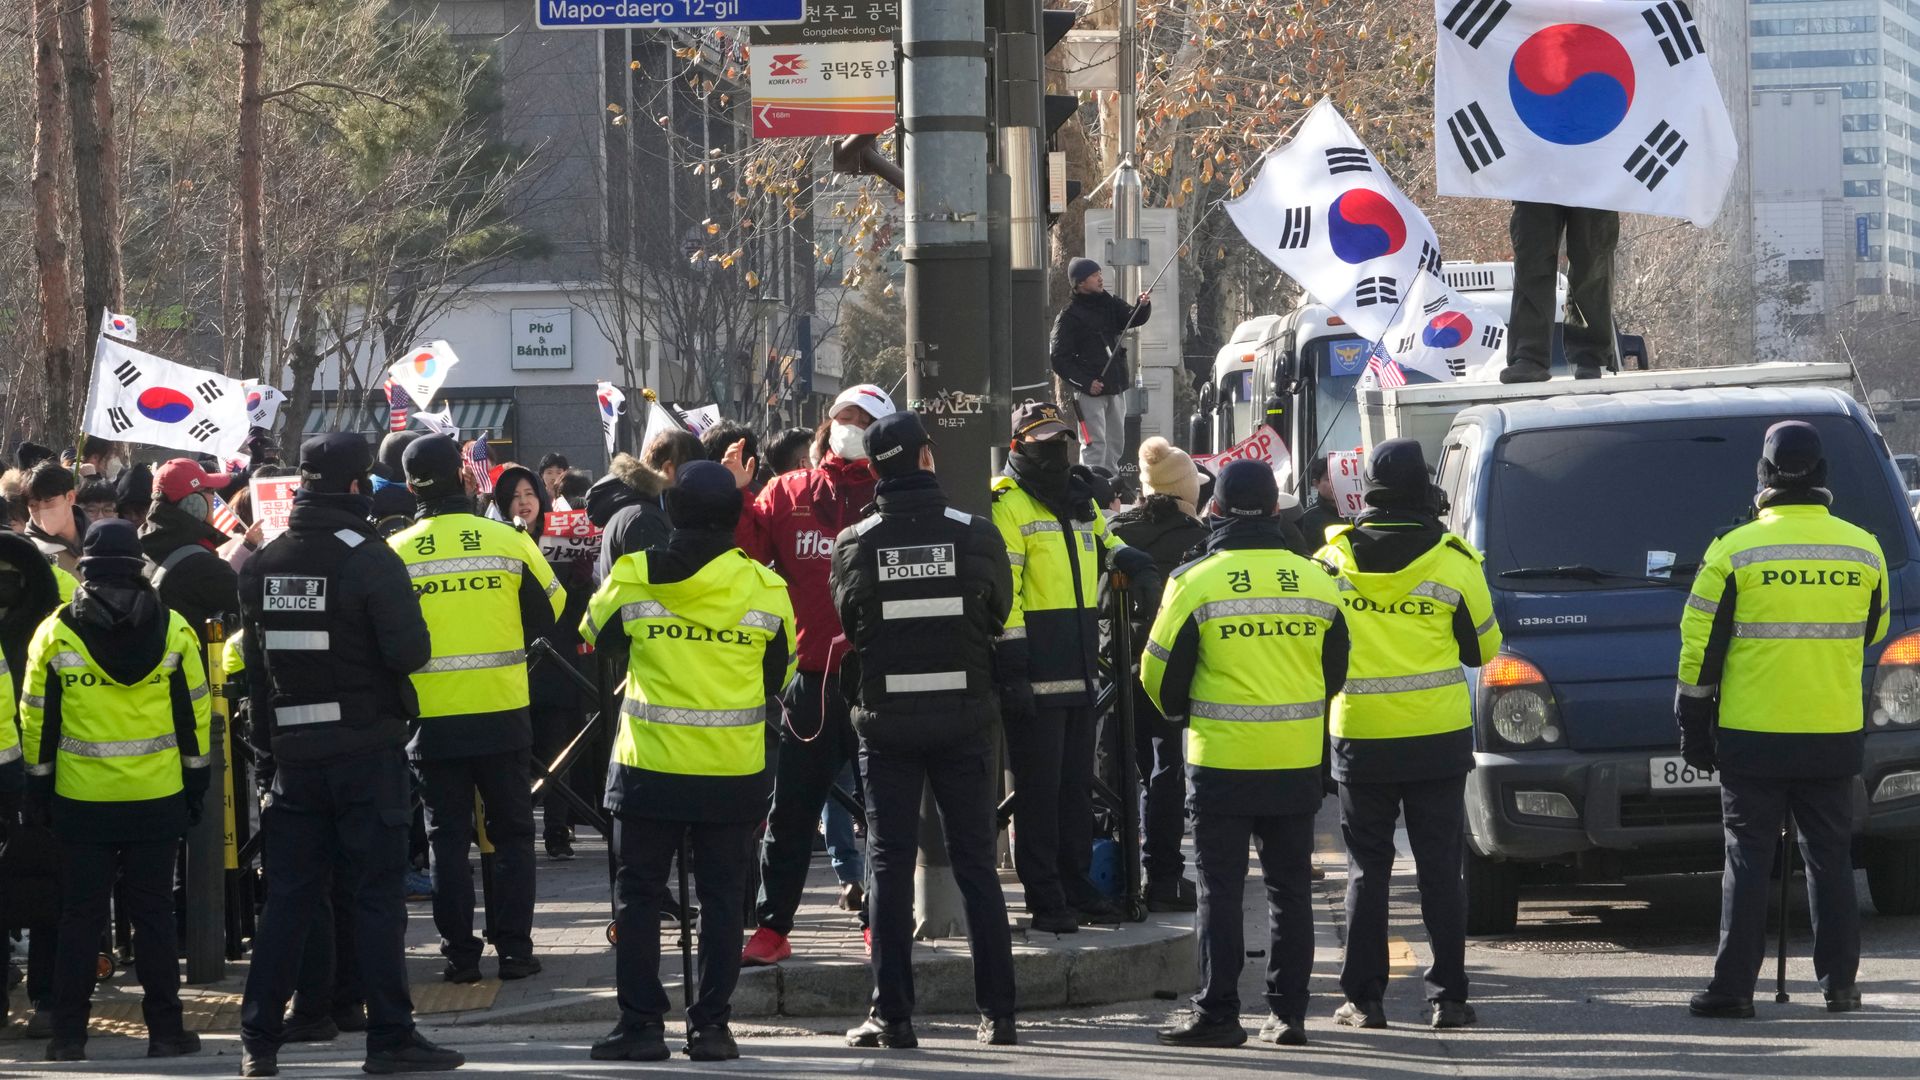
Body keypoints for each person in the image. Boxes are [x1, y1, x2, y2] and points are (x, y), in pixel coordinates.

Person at [236, 433, 464, 1077]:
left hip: (292, 762)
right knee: (374, 899)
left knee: (289, 900)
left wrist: (266, 760)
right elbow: (410, 652)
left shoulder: (265, 563)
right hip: (366, 754)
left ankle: (258, 1038)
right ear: (360, 487)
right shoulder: (369, 557)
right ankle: (390, 1038)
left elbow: (254, 676)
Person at [580, 460, 795, 1063]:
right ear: (735, 517)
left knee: (639, 895)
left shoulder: (634, 573)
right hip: (732, 771)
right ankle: (712, 1028)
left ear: (669, 513)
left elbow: (596, 633)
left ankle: (642, 1026)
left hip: (647, 768)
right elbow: (781, 671)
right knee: (725, 899)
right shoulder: (765, 587)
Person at [1678, 422, 1886, 1019]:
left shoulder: (1733, 550)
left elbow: (1698, 652)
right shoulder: (1863, 549)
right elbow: (1872, 630)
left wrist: (1694, 727)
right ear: (1822, 477)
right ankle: (1841, 986)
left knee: (1747, 857)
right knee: (1831, 858)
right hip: (1832, 732)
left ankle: (1733, 990)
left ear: (1763, 478)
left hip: (1754, 736)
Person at [1143, 460, 1349, 1049]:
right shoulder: (1315, 579)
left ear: (1218, 509)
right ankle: (1288, 1016)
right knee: (1290, 892)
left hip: (1221, 765)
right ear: (1278, 511)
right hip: (1295, 762)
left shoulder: (1195, 580)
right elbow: (1335, 671)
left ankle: (1220, 1012)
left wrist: (1189, 712)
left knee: (1221, 892)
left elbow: (1156, 676)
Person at [830, 410, 1019, 1049]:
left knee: (886, 863)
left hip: (887, 726)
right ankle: (998, 1015)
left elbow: (854, 626)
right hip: (966, 720)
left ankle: (893, 1017)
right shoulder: (975, 533)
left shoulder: (854, 542)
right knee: (975, 864)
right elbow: (998, 612)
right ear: (927, 459)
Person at [1316, 438, 1501, 1032]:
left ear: (1366, 490)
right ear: (1425, 489)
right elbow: (1485, 648)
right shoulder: (1454, 559)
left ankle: (1364, 1002)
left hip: (1359, 736)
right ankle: (1448, 998)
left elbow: (1317, 653)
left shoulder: (1332, 560)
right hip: (1436, 736)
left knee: (1367, 870)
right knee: (1440, 869)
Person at [21, 519, 210, 1062]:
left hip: (81, 802)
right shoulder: (174, 629)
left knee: (80, 916)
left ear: (85, 569)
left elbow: (38, 723)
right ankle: (167, 1033)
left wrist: (40, 791)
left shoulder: (54, 632)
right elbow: (194, 714)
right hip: (158, 797)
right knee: (152, 915)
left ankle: (68, 1036)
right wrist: (194, 784)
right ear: (138, 565)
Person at [391, 435, 563, 984]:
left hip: (431, 719)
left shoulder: (395, 551)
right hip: (503, 707)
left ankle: (459, 957)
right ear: (465, 479)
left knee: (446, 837)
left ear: (410, 485)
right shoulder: (505, 540)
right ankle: (514, 951)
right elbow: (552, 607)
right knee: (512, 833)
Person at [741, 383, 892, 966]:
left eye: (861, 419)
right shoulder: (787, 492)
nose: (847, 426)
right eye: (840, 417)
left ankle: (880, 920)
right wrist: (734, 495)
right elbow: (746, 556)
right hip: (811, 680)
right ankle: (772, 926)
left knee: (884, 810)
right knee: (792, 809)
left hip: (880, 677)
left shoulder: (894, 495)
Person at [993, 400, 1158, 931]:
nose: (1056, 449)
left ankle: (1077, 884)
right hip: (1035, 669)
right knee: (1038, 794)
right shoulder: (1007, 504)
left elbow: (1105, 545)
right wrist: (1013, 664)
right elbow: (1005, 593)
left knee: (1074, 789)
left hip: (1084, 665)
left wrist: (1125, 555)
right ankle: (1046, 898)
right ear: (1018, 445)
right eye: (1044, 440)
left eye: (1062, 439)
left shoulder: (1078, 501)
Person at [1107, 436, 1207, 913]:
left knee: (1120, 770)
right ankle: (1164, 876)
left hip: (1116, 672)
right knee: (1168, 770)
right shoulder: (1199, 540)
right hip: (1176, 671)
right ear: (1186, 490)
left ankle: (1117, 873)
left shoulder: (1115, 533)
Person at [493, 462, 596, 861]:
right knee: (520, 751)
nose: (523, 503)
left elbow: (578, 610)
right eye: (514, 497)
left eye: (529, 495)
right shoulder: (496, 541)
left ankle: (558, 829)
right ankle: (518, 827)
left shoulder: (561, 539)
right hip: (512, 660)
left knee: (559, 748)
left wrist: (582, 577)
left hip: (558, 659)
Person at [0, 532, 60, 1034]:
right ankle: (49, 1001)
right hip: (49, 768)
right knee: (47, 888)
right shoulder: (55, 591)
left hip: (32, 766)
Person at [1049, 257, 1152, 473]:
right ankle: (1093, 490)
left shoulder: (1109, 302)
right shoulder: (1068, 317)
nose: (1100, 279)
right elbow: (1059, 358)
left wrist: (1142, 306)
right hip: (1089, 394)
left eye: (1099, 274)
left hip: (1115, 387)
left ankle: (1111, 488)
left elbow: (1132, 319)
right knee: (1094, 446)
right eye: (1094, 275)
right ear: (1080, 283)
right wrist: (1086, 383)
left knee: (1115, 445)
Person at [1498, 202, 1619, 383]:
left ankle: (1589, 355)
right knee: (1532, 261)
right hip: (1538, 180)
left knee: (1592, 262)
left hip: (1594, 180)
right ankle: (1529, 355)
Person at [140, 458, 241, 639]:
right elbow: (251, 608)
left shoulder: (141, 548)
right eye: (210, 491)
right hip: (197, 666)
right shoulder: (204, 567)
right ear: (194, 503)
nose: (215, 498)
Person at [591, 431, 705, 586]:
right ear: (668, 468)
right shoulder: (645, 518)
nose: (697, 483)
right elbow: (661, 589)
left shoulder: (642, 507)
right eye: (693, 472)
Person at [23, 462, 85, 577]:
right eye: (33, 505)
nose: (42, 510)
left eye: (48, 501)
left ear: (70, 497)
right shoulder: (29, 553)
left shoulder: (99, 538)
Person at [1297, 457, 1349, 551]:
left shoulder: (1357, 513)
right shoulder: (1306, 518)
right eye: (1329, 479)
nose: (1335, 484)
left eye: (1340, 478)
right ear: (1316, 484)